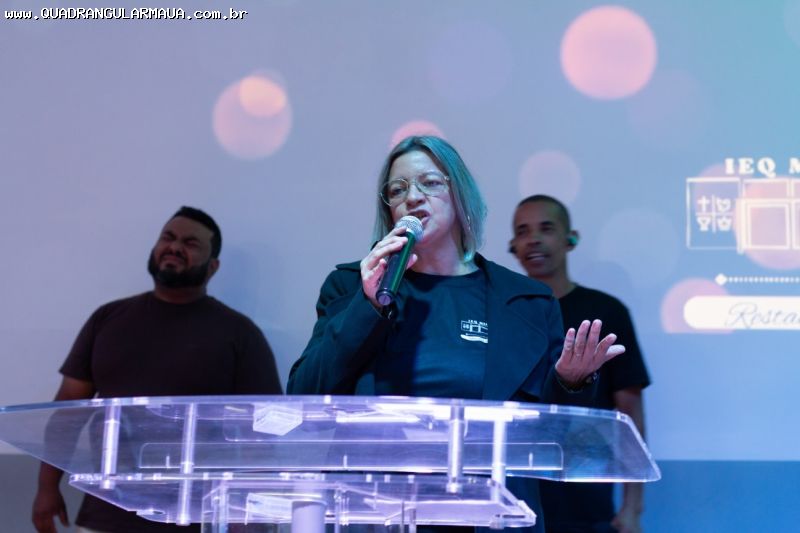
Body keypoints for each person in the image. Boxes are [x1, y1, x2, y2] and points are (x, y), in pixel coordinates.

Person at [287, 136, 626, 533]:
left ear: (460, 195)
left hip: (492, 517)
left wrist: (571, 382)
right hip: (379, 515)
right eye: (398, 190)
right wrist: (369, 306)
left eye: (430, 183)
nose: (413, 197)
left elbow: (550, 438)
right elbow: (305, 394)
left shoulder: (528, 302)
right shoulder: (351, 287)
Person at [32, 206, 283, 533]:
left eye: (190, 243)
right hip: (106, 516)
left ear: (213, 266)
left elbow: (261, 433)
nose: (175, 247)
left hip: (196, 517)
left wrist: (246, 516)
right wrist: (47, 487)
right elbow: (67, 412)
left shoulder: (239, 334)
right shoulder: (107, 319)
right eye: (168, 237)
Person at [509, 195, 651, 533]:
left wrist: (632, 507)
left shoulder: (606, 311)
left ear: (570, 239)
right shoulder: (505, 314)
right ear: (513, 246)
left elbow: (629, 413)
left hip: (586, 499)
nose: (534, 240)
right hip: (516, 496)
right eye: (523, 231)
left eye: (546, 229)